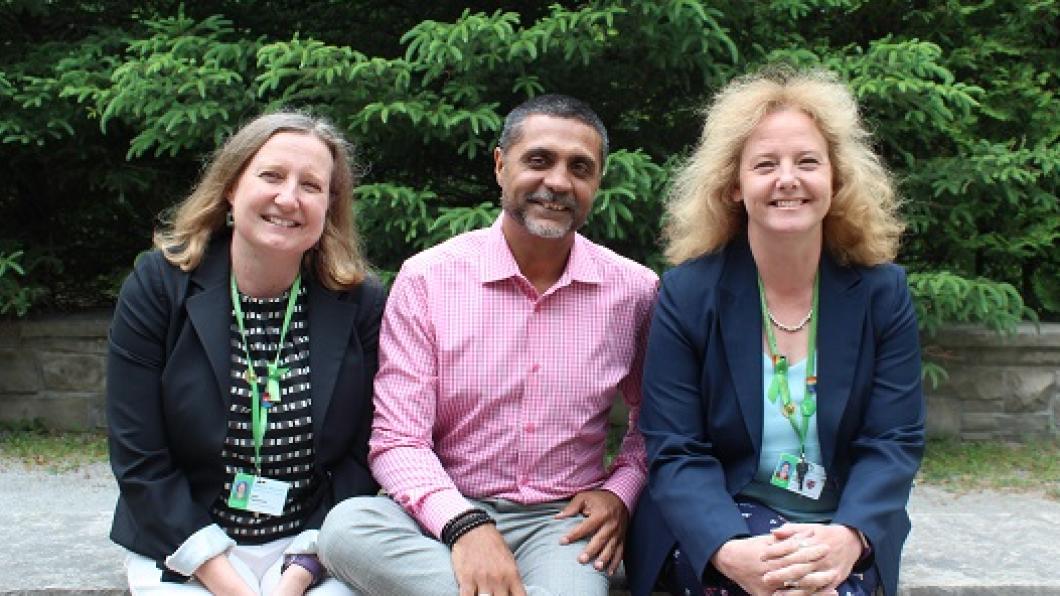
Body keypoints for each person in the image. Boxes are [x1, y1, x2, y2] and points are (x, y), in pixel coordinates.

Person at [318, 94, 658, 596]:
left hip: (560, 522)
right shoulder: (428, 278)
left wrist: (619, 491)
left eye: (579, 168)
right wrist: (464, 527)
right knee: (347, 528)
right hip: (441, 510)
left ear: (597, 182)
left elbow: (657, 422)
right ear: (501, 165)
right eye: (539, 160)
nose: (558, 182)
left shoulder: (633, 291)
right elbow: (397, 440)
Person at [625, 68, 925, 596]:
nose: (788, 178)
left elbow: (892, 443)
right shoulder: (688, 295)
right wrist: (729, 549)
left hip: (842, 524)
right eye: (766, 164)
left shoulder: (882, 294)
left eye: (807, 161)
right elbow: (675, 448)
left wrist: (849, 537)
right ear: (735, 186)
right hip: (721, 521)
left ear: (836, 178)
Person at [106, 112, 385, 595]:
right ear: (232, 187)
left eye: (312, 185)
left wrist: (301, 569)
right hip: (184, 542)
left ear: (329, 207)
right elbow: (140, 458)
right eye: (271, 175)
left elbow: (365, 453)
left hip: (314, 542)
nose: (288, 198)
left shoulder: (360, 302)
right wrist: (226, 580)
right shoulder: (158, 286)